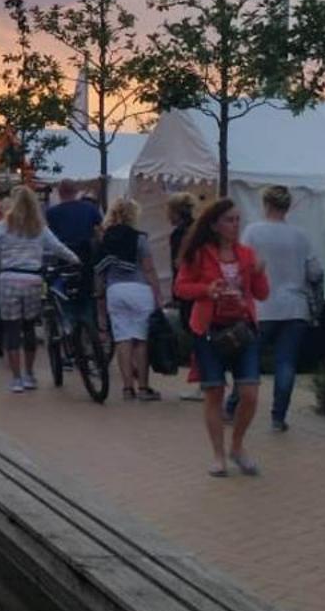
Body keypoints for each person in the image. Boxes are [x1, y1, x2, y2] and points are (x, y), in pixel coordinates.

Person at [174, 198, 270, 477]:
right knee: (214, 392)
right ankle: (218, 455)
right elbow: (181, 288)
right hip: (209, 329)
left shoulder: (246, 254)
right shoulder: (200, 254)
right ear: (215, 225)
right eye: (229, 220)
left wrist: (260, 274)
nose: (235, 225)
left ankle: (237, 446)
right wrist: (208, 289)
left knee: (250, 393)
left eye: (238, 219)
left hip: (242, 329)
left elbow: (262, 294)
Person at [242, 186, 324, 431]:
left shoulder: (253, 232)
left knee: (249, 359)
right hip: (295, 306)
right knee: (285, 363)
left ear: (265, 204)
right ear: (288, 207)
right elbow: (315, 272)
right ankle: (278, 418)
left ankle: (236, 404)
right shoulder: (301, 236)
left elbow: (244, 265)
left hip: (261, 306)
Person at [0, 186, 80, 393]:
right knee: (29, 327)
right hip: (32, 279)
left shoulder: (2, 226)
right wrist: (75, 259)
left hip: (8, 278)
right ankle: (30, 374)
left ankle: (16, 378)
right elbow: (57, 247)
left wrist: (4, 262)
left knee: (12, 329)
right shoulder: (39, 227)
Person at [96, 198, 164, 401]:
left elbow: (100, 271)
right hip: (139, 289)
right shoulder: (139, 239)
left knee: (122, 340)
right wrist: (158, 293)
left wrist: (100, 297)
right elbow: (149, 268)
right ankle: (143, 387)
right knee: (141, 340)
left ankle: (127, 388)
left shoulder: (106, 238)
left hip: (115, 290)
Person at [46, 179, 102, 329]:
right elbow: (99, 232)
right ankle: (90, 328)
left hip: (63, 261)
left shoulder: (52, 213)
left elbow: (49, 239)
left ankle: (68, 327)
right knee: (87, 295)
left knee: (64, 295)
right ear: (76, 191)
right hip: (86, 259)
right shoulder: (90, 209)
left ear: (59, 192)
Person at [165, 193, 201, 401]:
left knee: (197, 333)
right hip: (201, 287)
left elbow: (177, 266)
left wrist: (176, 291)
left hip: (189, 290)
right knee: (200, 334)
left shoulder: (180, 234)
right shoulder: (198, 230)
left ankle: (203, 381)